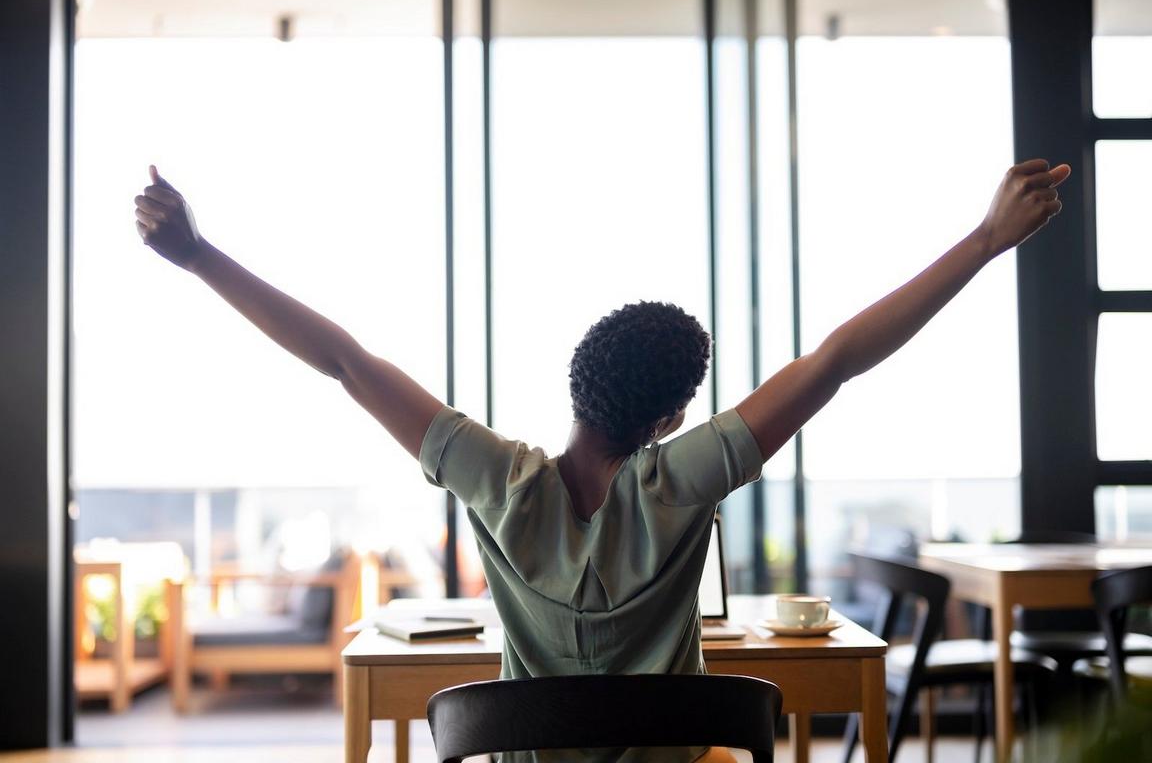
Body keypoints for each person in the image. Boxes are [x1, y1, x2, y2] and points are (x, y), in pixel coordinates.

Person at [133, 159, 1069, 762]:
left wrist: (198, 254)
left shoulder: (492, 477)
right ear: (669, 415)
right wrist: (986, 240)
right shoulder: (684, 477)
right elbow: (835, 362)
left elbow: (344, 362)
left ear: (579, 386)